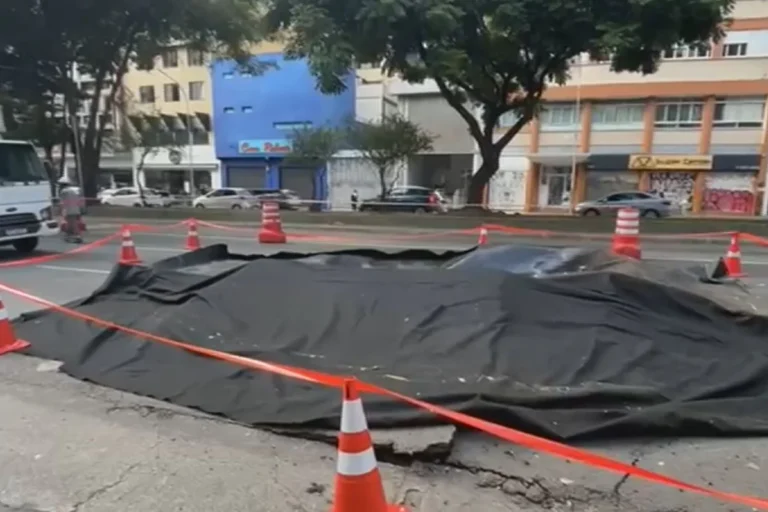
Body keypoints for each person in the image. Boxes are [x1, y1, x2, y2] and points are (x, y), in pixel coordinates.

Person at [58, 176, 84, 243]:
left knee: (72, 224)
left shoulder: (64, 191)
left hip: (69, 210)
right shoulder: (72, 191)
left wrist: (61, 210)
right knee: (70, 224)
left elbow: (62, 202)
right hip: (75, 209)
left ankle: (77, 236)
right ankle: (68, 235)